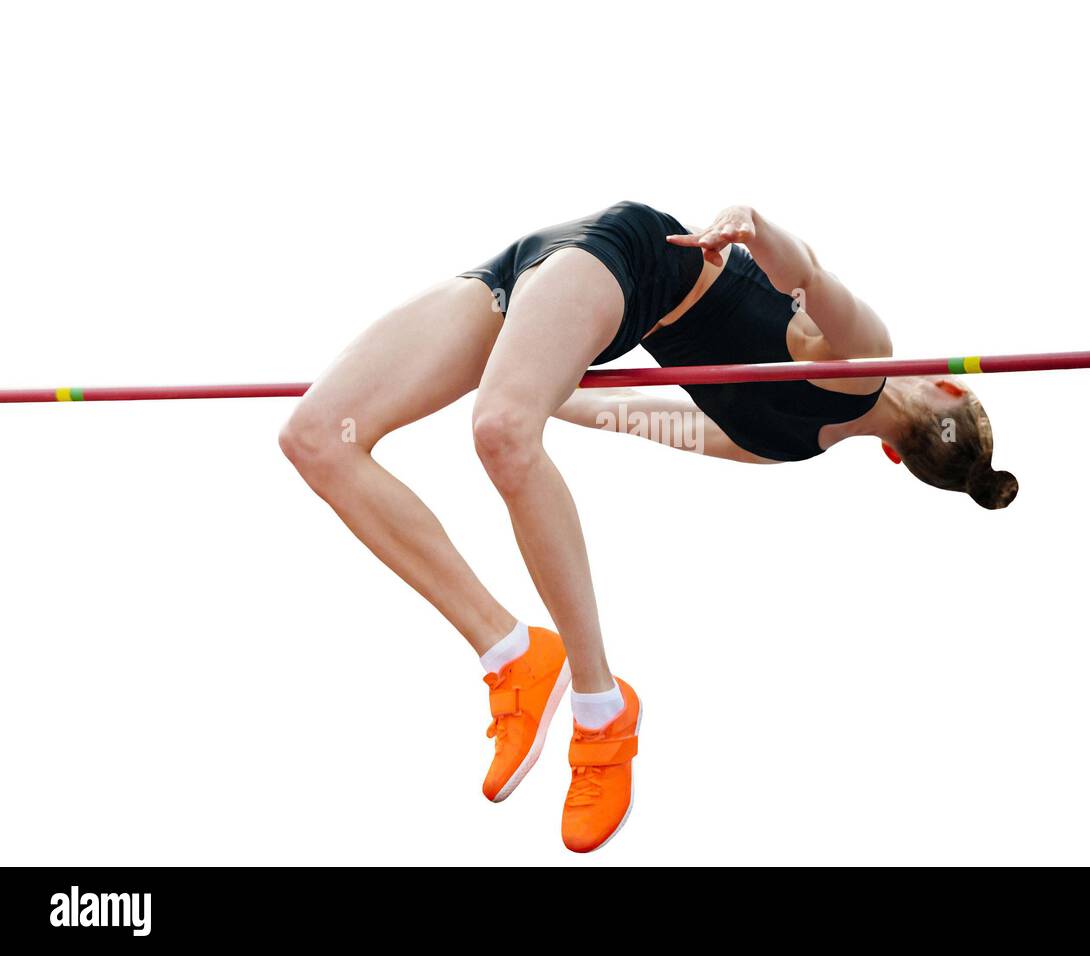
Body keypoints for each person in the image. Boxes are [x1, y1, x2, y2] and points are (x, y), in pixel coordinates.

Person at [277, 201, 1016, 853]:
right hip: (581, 263)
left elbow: (644, 404)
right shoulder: (822, 401)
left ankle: (565, 689)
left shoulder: (803, 419)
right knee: (372, 436)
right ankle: (549, 673)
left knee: (400, 435)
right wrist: (755, 231)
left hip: (588, 274)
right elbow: (801, 282)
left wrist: (755, 226)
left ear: (941, 390)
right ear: (895, 457)